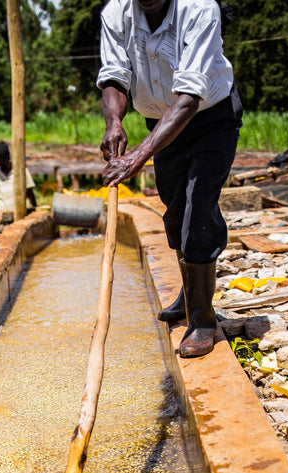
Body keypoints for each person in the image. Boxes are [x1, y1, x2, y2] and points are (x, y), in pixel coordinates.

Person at [96, 0, 241, 358]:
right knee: (174, 213)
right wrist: (114, 121)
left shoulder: (200, 8)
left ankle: (204, 321)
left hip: (209, 117)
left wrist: (137, 157)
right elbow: (115, 77)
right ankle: (188, 294)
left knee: (199, 209)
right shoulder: (116, 13)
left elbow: (190, 97)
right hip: (160, 122)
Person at [0, 141, 37, 211]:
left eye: (2, 160)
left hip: (21, 212)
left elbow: (30, 193)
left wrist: (35, 209)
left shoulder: (21, 171)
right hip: (1, 212)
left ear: (7, 158)